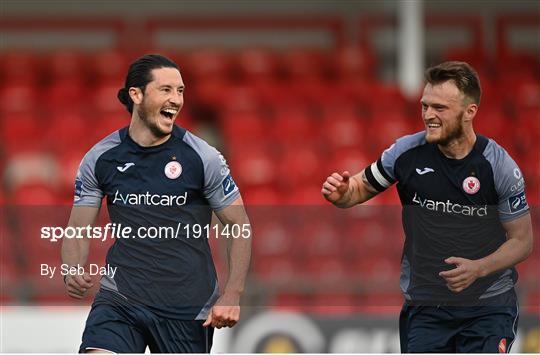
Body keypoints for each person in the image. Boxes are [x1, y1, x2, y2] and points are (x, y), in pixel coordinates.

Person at [322, 61, 533, 353]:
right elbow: (357, 189)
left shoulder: (498, 167)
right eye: (425, 106)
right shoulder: (406, 153)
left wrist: (479, 269)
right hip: (426, 309)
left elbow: (522, 241)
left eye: (440, 108)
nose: (428, 116)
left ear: (469, 112)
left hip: (488, 307)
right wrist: (342, 193)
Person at [62, 54, 252, 353]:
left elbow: (238, 225)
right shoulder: (101, 158)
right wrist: (72, 266)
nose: (176, 99)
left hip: (186, 304)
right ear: (136, 94)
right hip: (120, 297)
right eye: (166, 89)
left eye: (180, 91)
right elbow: (77, 226)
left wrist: (233, 293)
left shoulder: (202, 157)